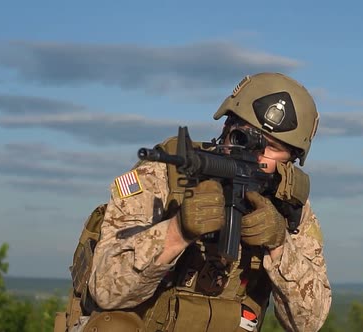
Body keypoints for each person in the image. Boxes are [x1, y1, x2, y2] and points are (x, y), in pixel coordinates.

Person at [73, 72, 331, 332]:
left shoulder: (288, 203)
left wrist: (279, 246)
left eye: (272, 147)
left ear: (292, 159)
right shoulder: (162, 175)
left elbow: (308, 323)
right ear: (226, 127)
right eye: (243, 136)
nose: (254, 153)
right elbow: (105, 290)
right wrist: (176, 232)